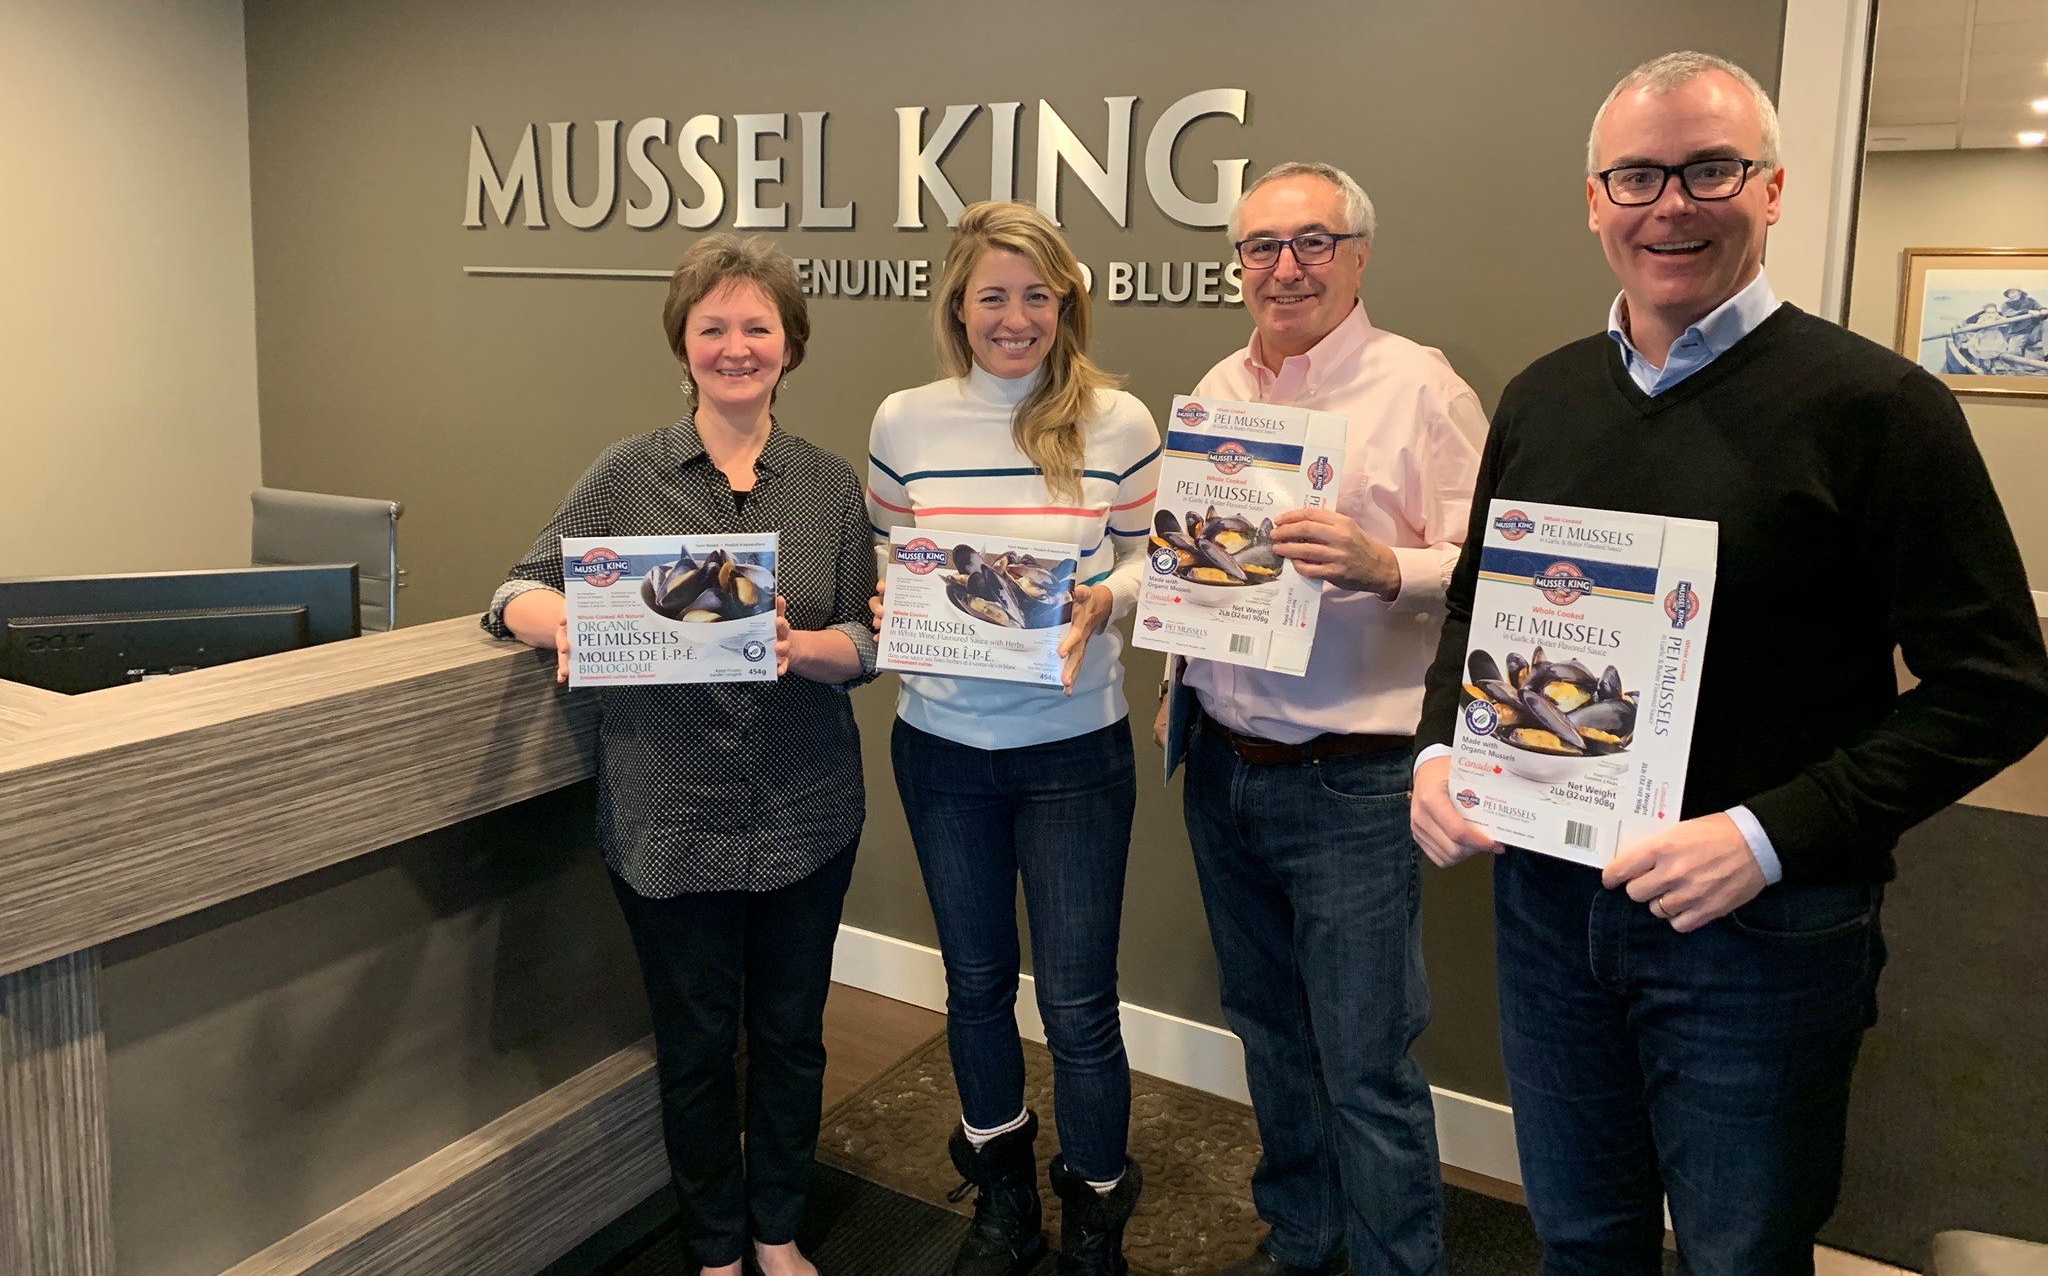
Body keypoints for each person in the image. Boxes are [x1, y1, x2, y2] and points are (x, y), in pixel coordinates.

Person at [1410, 51, 2048, 1275]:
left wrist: (1763, 836)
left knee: (1739, 1253)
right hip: (1548, 907)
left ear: (1769, 189)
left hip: (1759, 928)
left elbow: (1997, 688)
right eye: (1636, 176)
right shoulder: (1542, 398)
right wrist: (1443, 746)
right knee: (1578, 1238)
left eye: (1709, 170)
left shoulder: (1877, 408)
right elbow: (1475, 607)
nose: (1669, 206)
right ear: (1592, 200)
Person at [485, 233, 878, 1276]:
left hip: (805, 811)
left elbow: (868, 638)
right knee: (698, 1046)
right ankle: (713, 1247)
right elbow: (514, 587)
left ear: (790, 345)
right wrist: (566, 623)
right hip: (666, 814)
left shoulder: (829, 487)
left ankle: (777, 1232)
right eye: (713, 328)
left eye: (758, 327)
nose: (735, 347)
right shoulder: (625, 476)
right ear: (683, 342)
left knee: (790, 1037)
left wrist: (801, 647)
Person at [1156, 162, 1486, 1276]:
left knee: (1365, 1062)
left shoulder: (1421, 388)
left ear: (1357, 255)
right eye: (1261, 246)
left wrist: (1385, 564)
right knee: (1267, 1031)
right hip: (1222, 764)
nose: (1284, 268)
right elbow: (1198, 560)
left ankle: (1396, 1264)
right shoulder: (1219, 387)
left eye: (1311, 242)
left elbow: (1498, 571)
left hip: (1352, 781)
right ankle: (1302, 1239)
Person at [866, 200, 1161, 1276]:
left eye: (1038, 295)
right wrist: (890, 598)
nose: (1015, 317)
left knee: (1079, 1004)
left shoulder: (1118, 422)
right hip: (942, 747)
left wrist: (1105, 599)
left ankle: (1094, 1211)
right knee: (976, 986)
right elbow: (891, 555)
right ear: (957, 305)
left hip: (1073, 751)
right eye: (992, 296)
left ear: (1067, 303)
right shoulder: (904, 422)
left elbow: (1155, 556)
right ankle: (1003, 1201)